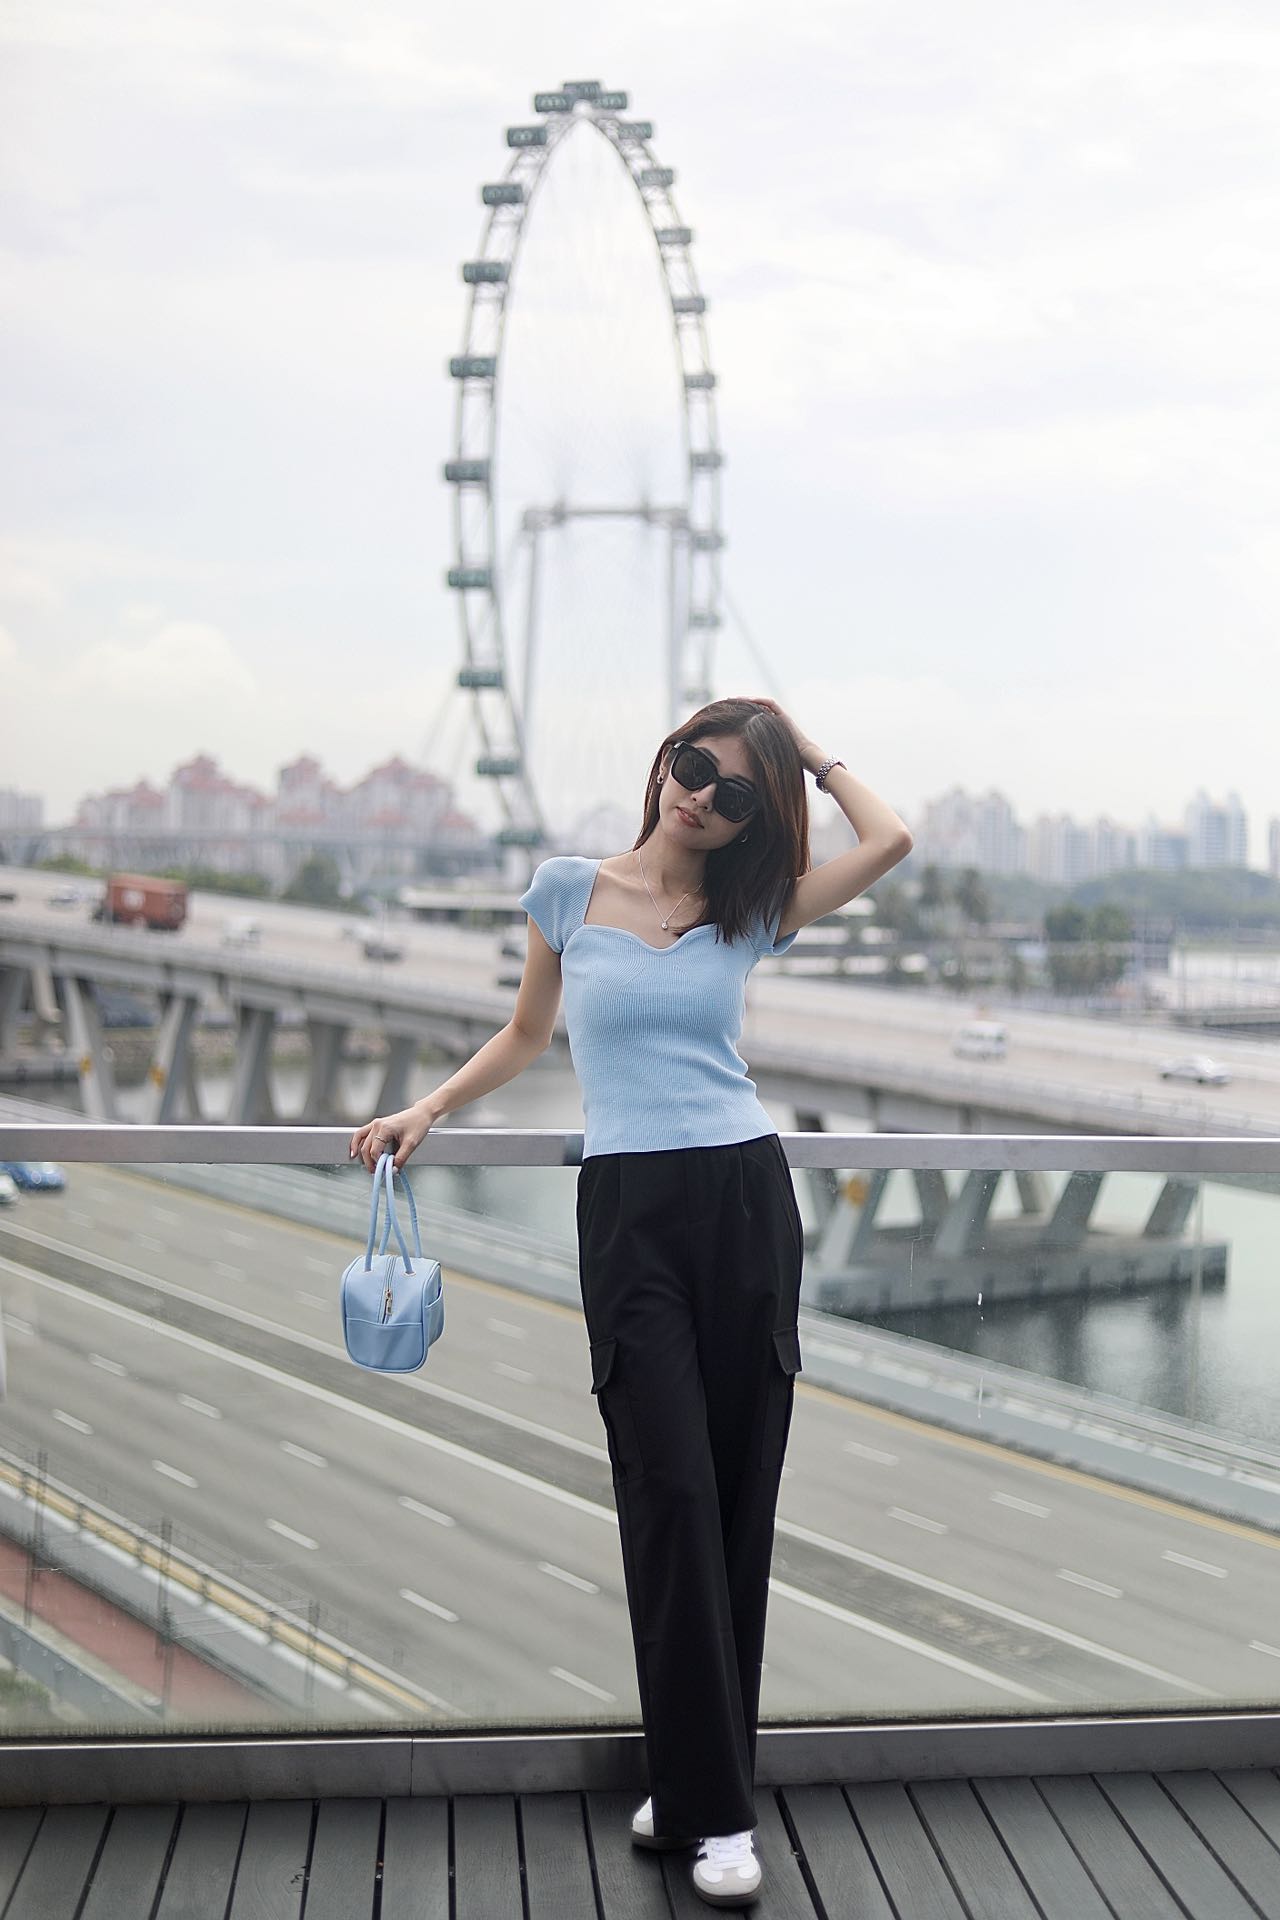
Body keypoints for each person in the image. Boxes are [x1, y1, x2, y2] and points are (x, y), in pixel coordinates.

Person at [351, 695, 912, 1908]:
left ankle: (705, 1803)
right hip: (628, 1217)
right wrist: (425, 1112)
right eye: (694, 766)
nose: (702, 796)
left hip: (745, 1205)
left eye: (733, 794)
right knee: (665, 1494)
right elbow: (523, 1034)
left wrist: (806, 756)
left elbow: (890, 841)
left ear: (752, 819)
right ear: (664, 759)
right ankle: (704, 1793)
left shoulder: (750, 909)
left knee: (735, 1503)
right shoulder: (566, 888)